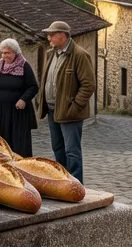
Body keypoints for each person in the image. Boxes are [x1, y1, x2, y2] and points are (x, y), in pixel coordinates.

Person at [39, 20, 95, 183]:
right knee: (57, 147)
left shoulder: (79, 55)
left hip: (70, 111)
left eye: (52, 34)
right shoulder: (51, 53)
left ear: (63, 35)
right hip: (52, 109)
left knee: (72, 150)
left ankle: (76, 184)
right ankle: (62, 183)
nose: (48, 37)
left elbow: (88, 85)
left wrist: (75, 107)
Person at [0, 39, 38, 157]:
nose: (4, 55)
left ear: (15, 52)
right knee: (0, 140)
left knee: (17, 142)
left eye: (7, 53)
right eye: (3, 53)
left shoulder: (24, 65)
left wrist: (24, 99)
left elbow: (33, 87)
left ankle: (20, 164)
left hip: (17, 112)